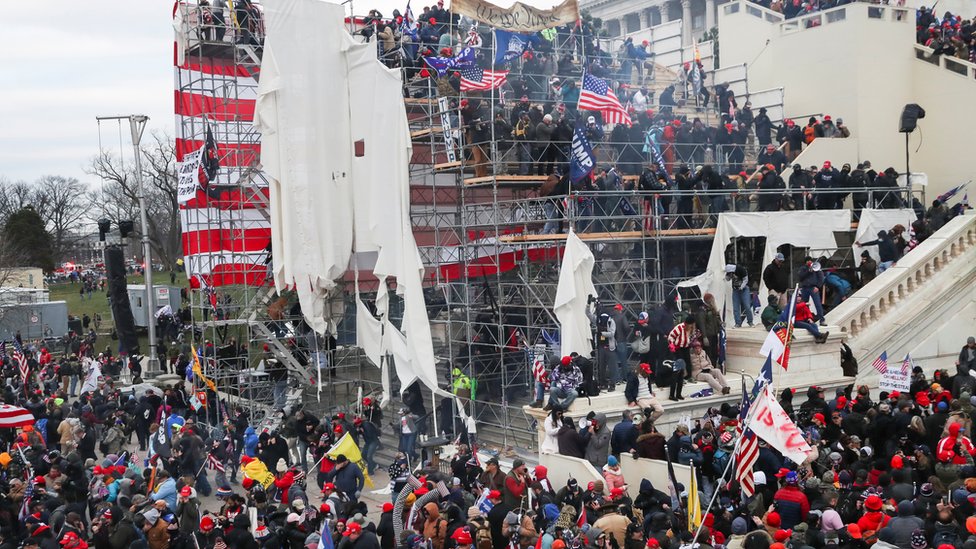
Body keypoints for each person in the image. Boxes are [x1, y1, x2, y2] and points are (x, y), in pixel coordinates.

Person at [796, 257, 826, 325]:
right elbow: (800, 277)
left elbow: (821, 277)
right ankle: (806, 319)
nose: (809, 262)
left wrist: (818, 286)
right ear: (805, 262)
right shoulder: (803, 268)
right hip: (805, 288)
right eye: (807, 261)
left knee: (817, 304)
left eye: (810, 261)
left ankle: (822, 320)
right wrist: (808, 271)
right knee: (804, 305)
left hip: (813, 288)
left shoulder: (816, 267)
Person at [725, 263, 754, 328]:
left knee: (747, 306)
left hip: (744, 289)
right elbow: (727, 279)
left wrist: (741, 287)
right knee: (736, 307)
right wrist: (728, 275)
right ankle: (738, 323)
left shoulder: (741, 269)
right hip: (735, 290)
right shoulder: (730, 272)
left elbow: (746, 280)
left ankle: (750, 321)